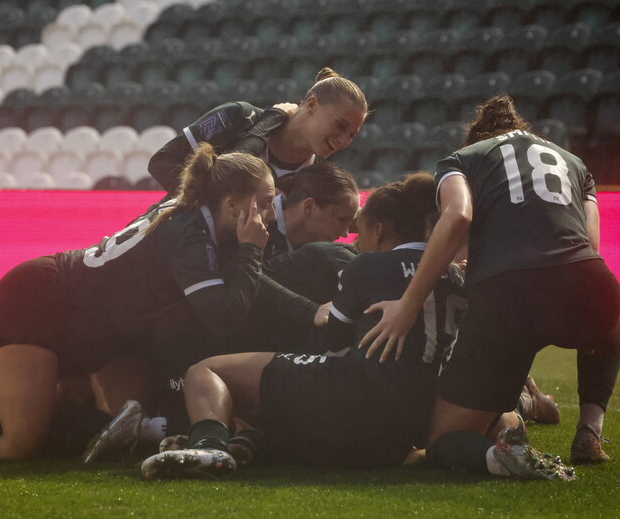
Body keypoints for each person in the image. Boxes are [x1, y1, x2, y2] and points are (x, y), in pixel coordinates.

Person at [0, 144, 279, 461]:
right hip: (44, 301)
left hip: (88, 327)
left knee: (107, 427)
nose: (269, 214)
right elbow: (224, 317)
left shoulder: (193, 219)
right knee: (18, 446)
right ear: (233, 202)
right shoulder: (193, 233)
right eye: (265, 202)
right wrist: (253, 250)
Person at [139, 173, 480, 478]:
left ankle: (210, 448)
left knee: (205, 372)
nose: (351, 239)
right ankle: (251, 440)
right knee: (277, 387)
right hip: (401, 437)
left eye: (357, 229)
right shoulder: (456, 277)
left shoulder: (367, 265)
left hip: (352, 406)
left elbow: (334, 339)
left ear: (379, 230)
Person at [358, 95, 620, 480]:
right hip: (589, 287)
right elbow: (590, 244)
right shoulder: (576, 164)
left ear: (477, 137)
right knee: (612, 317)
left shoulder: (462, 159)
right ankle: (589, 431)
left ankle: (508, 453)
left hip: (509, 296)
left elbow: (458, 215)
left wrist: (409, 303)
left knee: (445, 440)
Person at [148, 67, 368, 196]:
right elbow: (161, 162)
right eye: (341, 125)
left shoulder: (317, 180)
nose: (344, 141)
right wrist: (203, 202)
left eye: (352, 135)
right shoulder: (238, 117)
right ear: (311, 105)